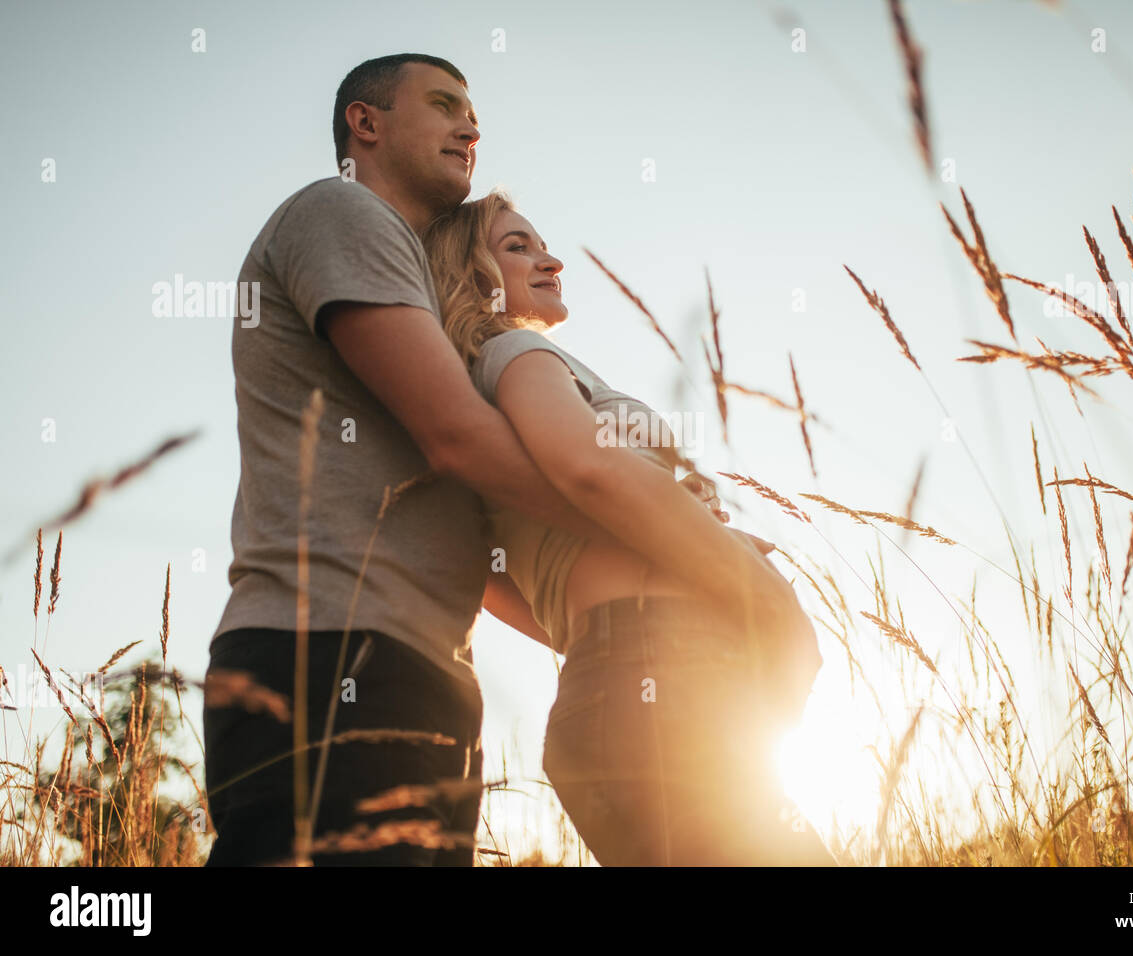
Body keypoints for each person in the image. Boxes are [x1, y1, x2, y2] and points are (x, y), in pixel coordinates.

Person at [202, 54, 806, 866]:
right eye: (444, 104)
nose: (471, 126)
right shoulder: (341, 212)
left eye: (474, 113)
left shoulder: (444, 329)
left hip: (429, 674)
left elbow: (483, 554)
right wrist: (702, 555)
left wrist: (612, 627)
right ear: (365, 123)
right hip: (329, 652)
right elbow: (471, 444)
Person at [423, 190, 836, 865]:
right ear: (472, 277)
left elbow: (485, 579)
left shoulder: (477, 397)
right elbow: (588, 467)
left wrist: (604, 631)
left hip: (612, 687)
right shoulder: (514, 354)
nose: (549, 258)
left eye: (541, 242)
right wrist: (754, 592)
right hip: (668, 669)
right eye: (516, 246)